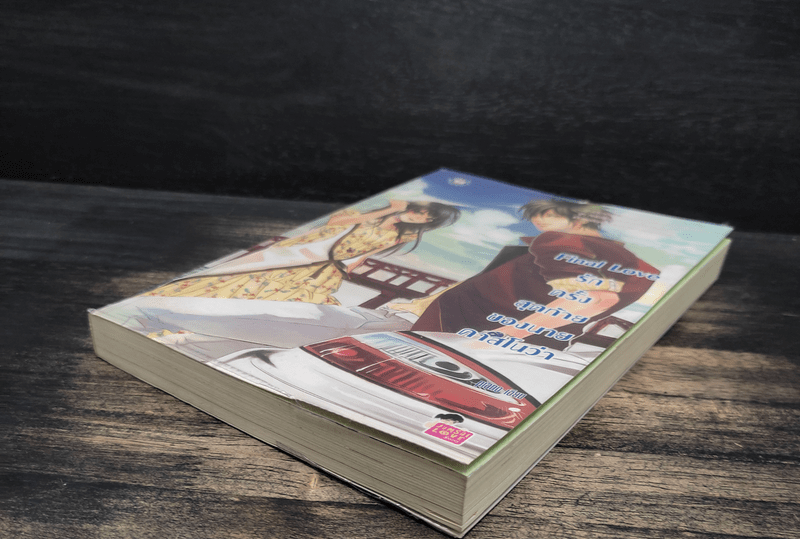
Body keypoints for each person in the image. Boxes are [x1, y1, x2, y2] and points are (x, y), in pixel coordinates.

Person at [411, 198, 659, 349]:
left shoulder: (558, 240)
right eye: (535, 217)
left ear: (580, 219)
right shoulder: (639, 268)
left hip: (467, 324)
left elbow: (595, 298)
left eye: (549, 215)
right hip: (539, 338)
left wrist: (497, 338)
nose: (539, 222)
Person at [144, 199, 460, 304]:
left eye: (425, 218)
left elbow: (362, 254)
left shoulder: (399, 235)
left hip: (325, 266)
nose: (417, 217)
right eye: (418, 211)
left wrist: (348, 270)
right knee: (239, 279)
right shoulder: (366, 213)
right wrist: (385, 211)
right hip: (303, 250)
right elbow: (336, 223)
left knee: (285, 298)